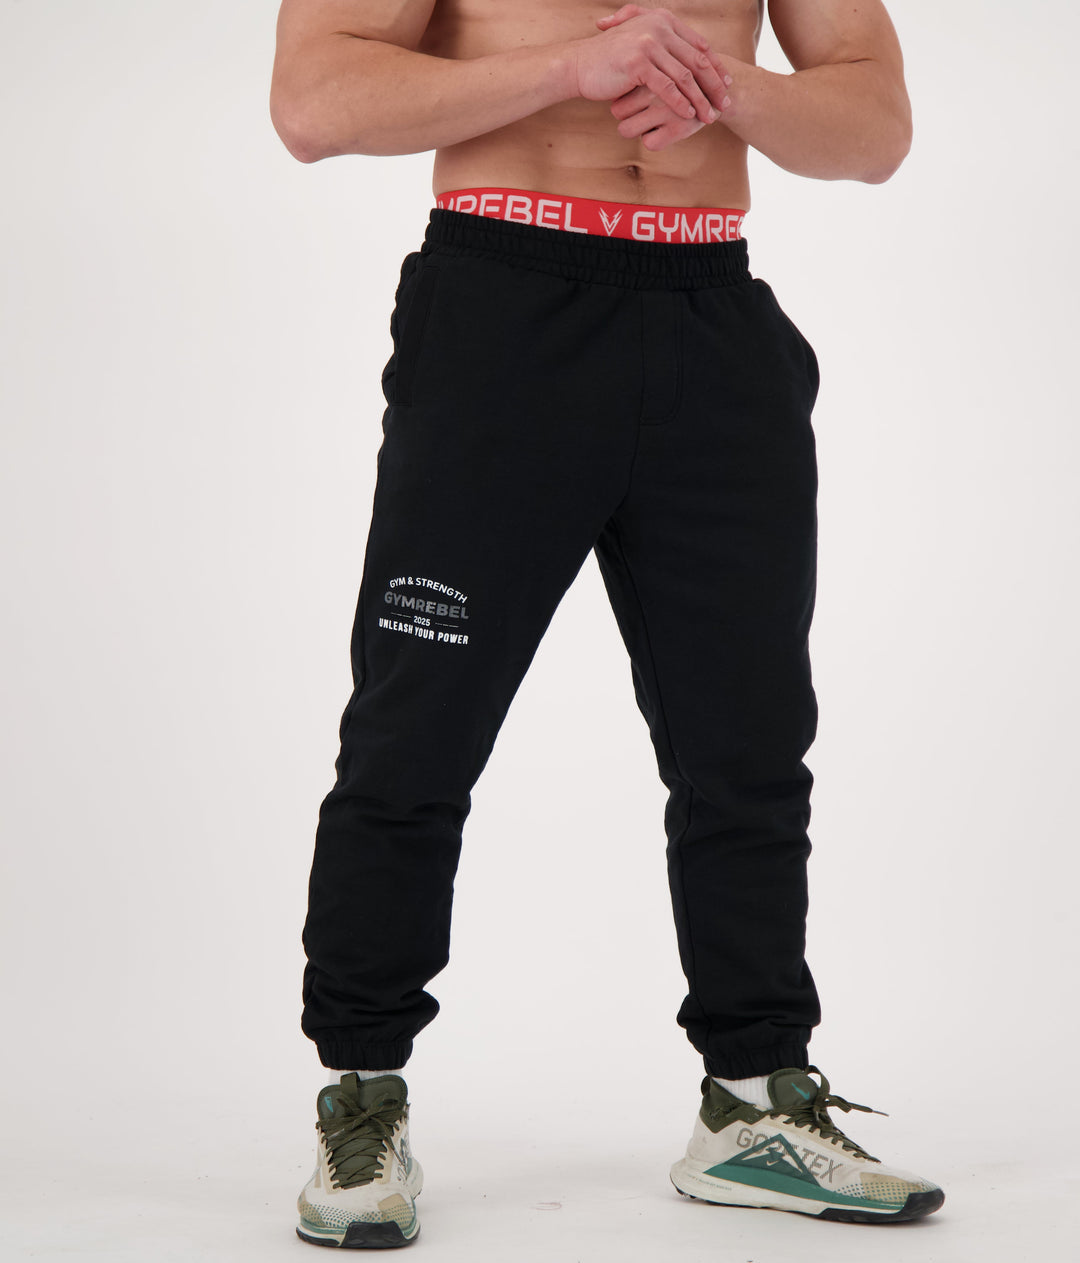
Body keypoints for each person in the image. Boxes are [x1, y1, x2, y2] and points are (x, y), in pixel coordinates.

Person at [270, 0, 942, 1247]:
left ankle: (753, 1103)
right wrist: (576, 68)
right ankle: (361, 1097)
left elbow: (876, 128)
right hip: (501, 308)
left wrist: (725, 87)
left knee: (748, 747)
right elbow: (312, 102)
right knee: (416, 734)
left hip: (711, 314)